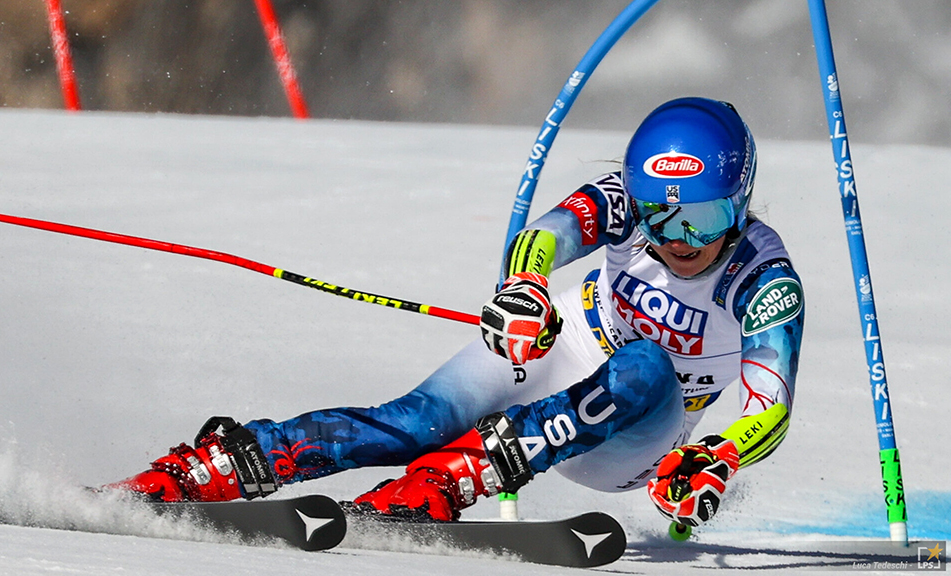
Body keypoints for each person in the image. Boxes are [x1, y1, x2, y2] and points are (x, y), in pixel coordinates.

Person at [109, 97, 804, 529]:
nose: (678, 241)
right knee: (417, 419)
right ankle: (227, 463)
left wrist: (717, 454)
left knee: (648, 363)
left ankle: (456, 476)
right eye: (660, 219)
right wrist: (527, 289)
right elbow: (546, 236)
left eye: (702, 220)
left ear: (740, 205)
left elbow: (769, 402)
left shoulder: (761, 275)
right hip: (563, 348)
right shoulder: (624, 196)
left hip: (631, 435)